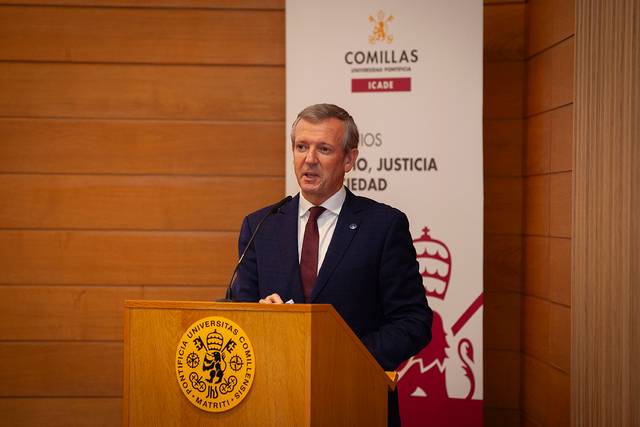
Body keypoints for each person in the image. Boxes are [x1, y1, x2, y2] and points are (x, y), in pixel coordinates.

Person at [232, 103, 432, 426]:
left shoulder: (384, 226)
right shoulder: (261, 225)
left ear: (349, 159)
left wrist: (343, 357)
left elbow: (413, 322)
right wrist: (258, 316)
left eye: (323, 149)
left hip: (357, 404)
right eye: (301, 147)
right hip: (274, 404)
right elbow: (236, 311)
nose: (309, 159)